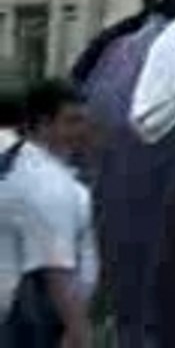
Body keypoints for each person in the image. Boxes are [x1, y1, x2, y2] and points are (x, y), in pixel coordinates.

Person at [1, 78, 97, 348]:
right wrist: (80, 335)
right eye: (72, 121)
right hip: (33, 326)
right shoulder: (47, 184)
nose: (82, 130)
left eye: (84, 120)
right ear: (43, 125)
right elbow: (56, 272)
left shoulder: (19, 166)